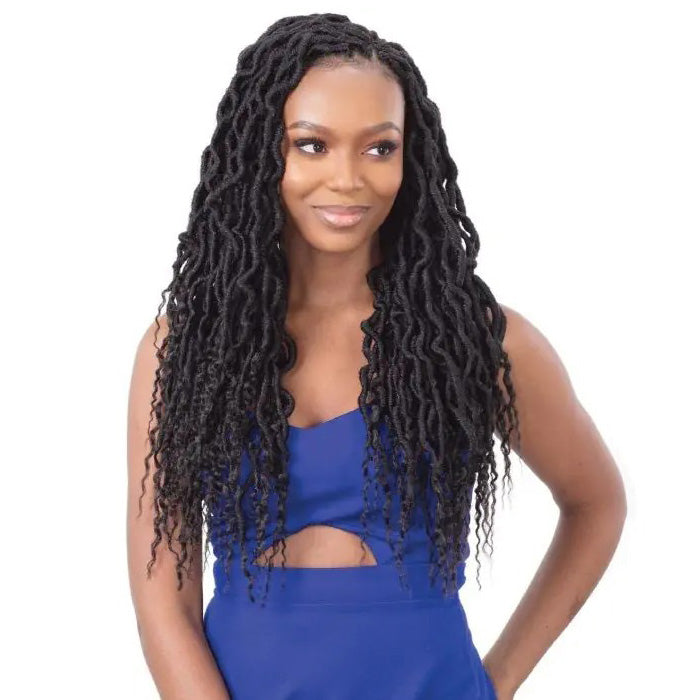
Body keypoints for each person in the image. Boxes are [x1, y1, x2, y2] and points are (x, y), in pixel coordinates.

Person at [126, 13, 627, 700]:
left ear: (408, 158)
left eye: (379, 148)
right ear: (260, 151)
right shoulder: (184, 349)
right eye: (312, 145)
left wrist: (498, 681)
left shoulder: (478, 341)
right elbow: (163, 601)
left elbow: (596, 504)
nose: (348, 179)